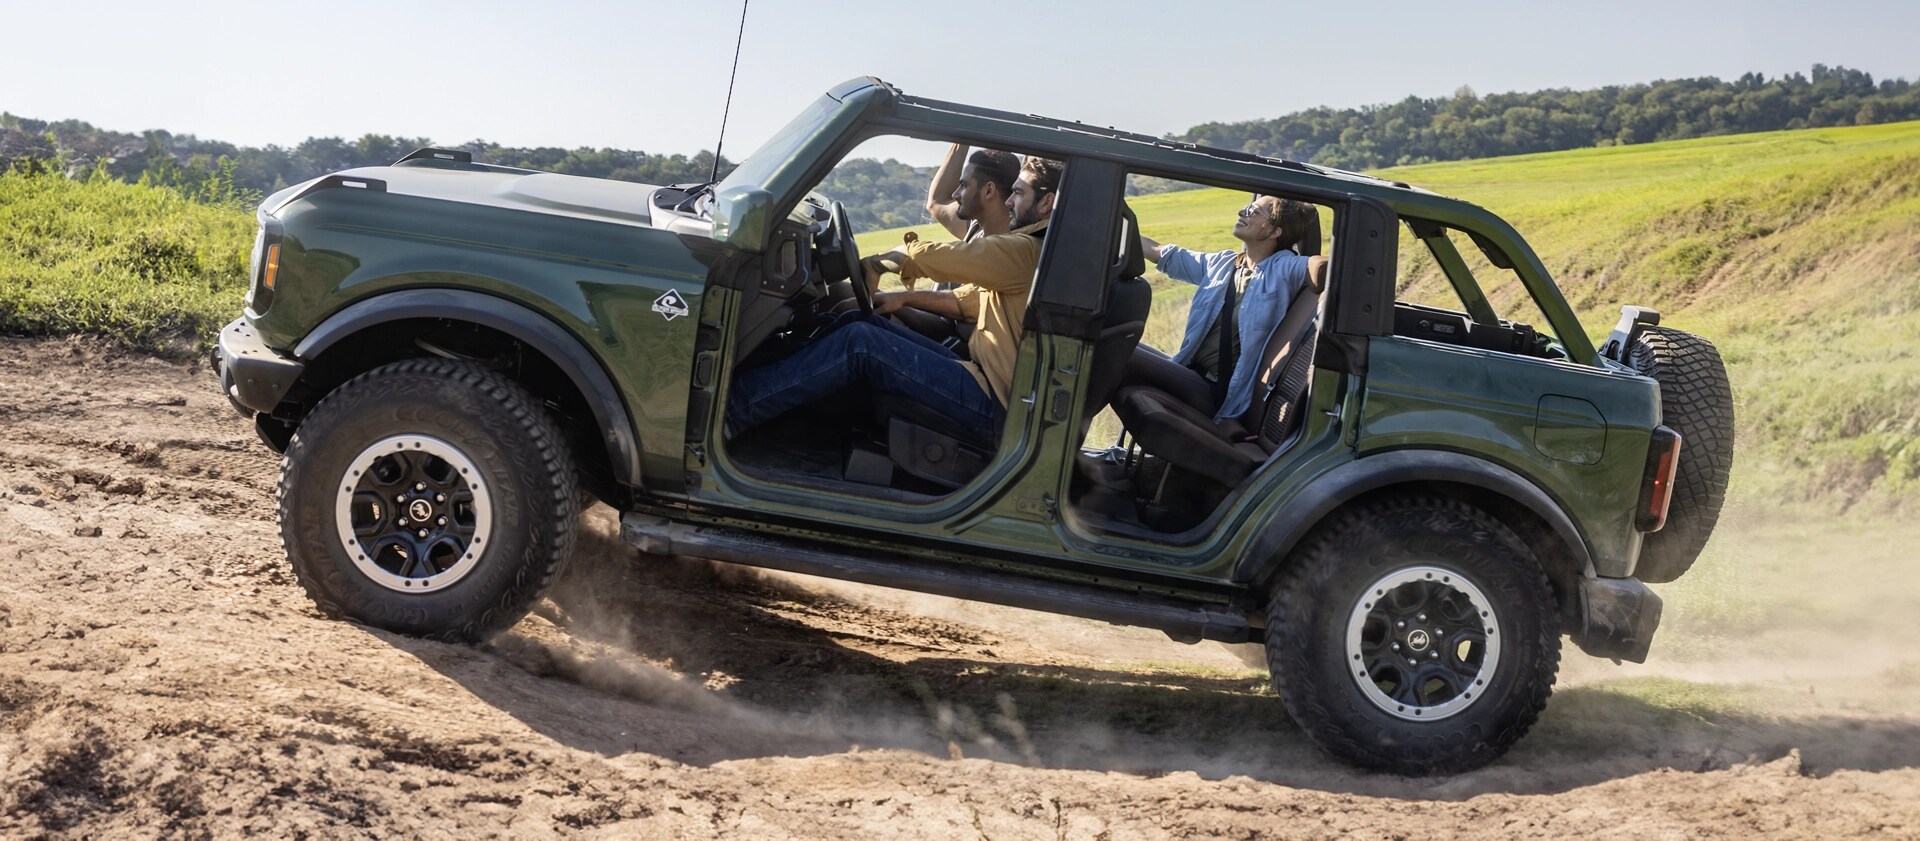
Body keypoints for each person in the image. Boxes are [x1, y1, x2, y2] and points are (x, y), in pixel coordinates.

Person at [724, 157, 1065, 444]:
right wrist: (901, 299)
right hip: (980, 378)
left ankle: (733, 412)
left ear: (1046, 202)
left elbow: (956, 257)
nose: (1009, 201)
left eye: (1018, 194)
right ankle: (746, 380)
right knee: (861, 322)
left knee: (860, 343)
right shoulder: (1037, 252)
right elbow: (970, 302)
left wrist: (882, 261)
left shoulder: (1024, 250)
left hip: (995, 405)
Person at [1129, 195, 1329, 425]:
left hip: (1217, 392)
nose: (1241, 213)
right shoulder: (1223, 264)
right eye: (1246, 208)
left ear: (1275, 232)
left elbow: (1321, 267)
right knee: (1121, 344)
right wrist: (1119, 228)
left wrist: (1321, 264)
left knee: (1127, 358)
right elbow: (1164, 254)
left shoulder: (1283, 267)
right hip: (1189, 370)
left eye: (1254, 212)